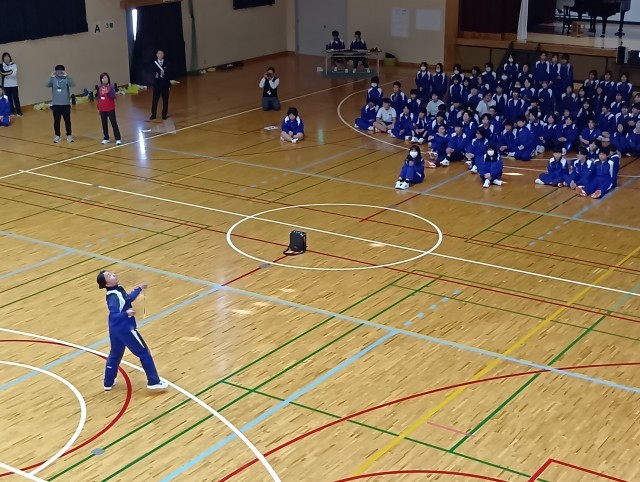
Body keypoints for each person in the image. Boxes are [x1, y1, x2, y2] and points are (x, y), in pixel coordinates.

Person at [96, 271, 168, 391]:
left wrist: (138, 289)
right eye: (109, 276)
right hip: (125, 329)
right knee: (144, 353)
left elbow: (127, 299)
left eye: (111, 273)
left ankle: (108, 382)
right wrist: (126, 313)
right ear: (107, 284)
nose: (113, 275)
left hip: (115, 329)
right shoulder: (113, 297)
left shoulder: (117, 289)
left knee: (115, 354)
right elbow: (114, 314)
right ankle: (154, 381)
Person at [46, 65, 75, 143]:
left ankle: (69, 135)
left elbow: (72, 84)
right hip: (56, 104)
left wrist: (67, 76)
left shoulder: (66, 79)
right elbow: (47, 84)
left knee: (67, 120)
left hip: (65, 104)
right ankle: (57, 135)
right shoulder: (53, 79)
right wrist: (51, 76)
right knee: (56, 121)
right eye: (58, 71)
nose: (59, 72)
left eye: (61, 71)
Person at [97, 72, 122, 145]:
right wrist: (98, 108)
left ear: (108, 79)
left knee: (114, 123)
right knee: (104, 124)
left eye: (106, 78)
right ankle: (106, 138)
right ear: (101, 79)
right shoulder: (99, 87)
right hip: (102, 109)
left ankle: (118, 139)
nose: (104, 79)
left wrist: (107, 92)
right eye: (103, 78)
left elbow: (113, 97)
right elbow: (99, 98)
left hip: (110, 108)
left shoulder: (111, 87)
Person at [150, 50, 170, 120]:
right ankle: (153, 114)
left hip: (165, 84)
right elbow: (152, 73)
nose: (160, 55)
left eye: (162, 53)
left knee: (165, 100)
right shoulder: (154, 64)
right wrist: (157, 75)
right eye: (159, 53)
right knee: (155, 100)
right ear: (157, 55)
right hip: (157, 85)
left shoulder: (167, 63)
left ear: (163, 55)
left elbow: (169, 72)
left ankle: (164, 114)